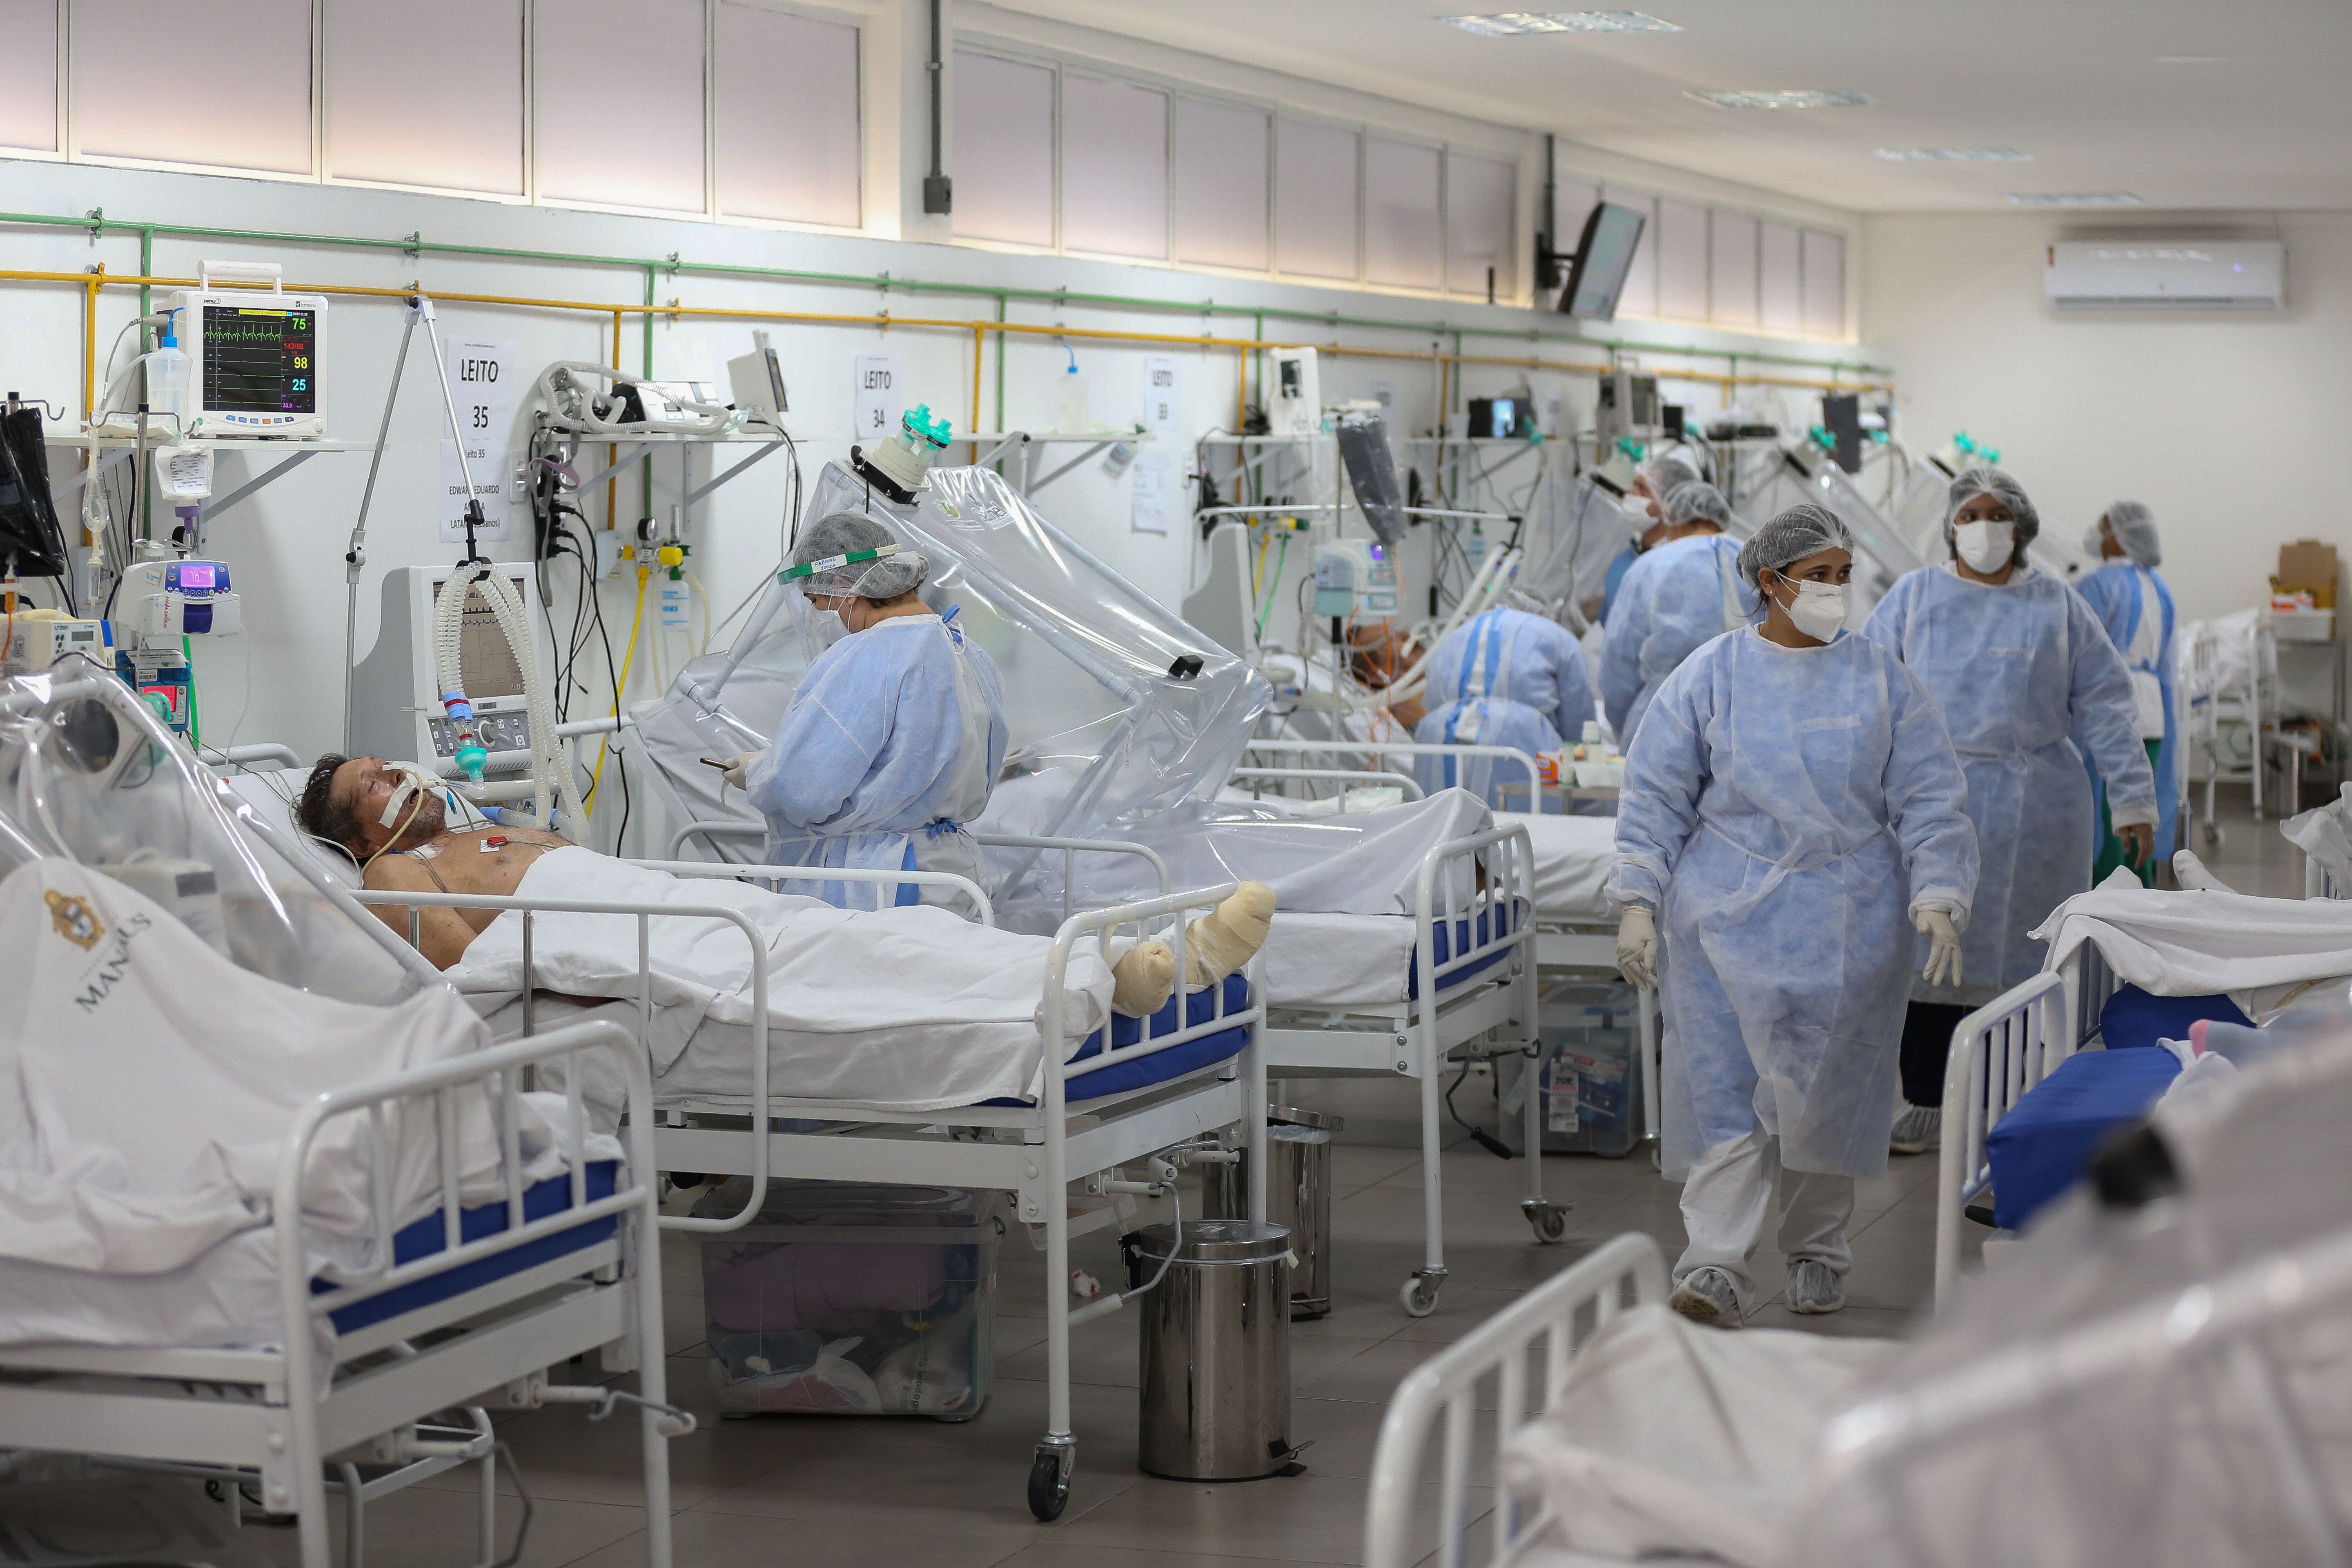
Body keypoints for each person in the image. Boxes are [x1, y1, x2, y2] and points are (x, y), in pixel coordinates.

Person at [1608, 503, 1976, 1327]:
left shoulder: (1882, 678)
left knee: (1825, 1095)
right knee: (1726, 1096)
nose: (1837, 591)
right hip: (1720, 918)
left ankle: (1817, 1249)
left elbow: (1931, 796)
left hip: (1847, 916)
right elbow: (1655, 797)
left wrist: (1939, 894)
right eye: (1821, 576)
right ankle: (1715, 1264)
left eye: (1845, 576)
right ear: (1770, 582)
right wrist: (1637, 897)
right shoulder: (1709, 676)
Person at [292, 753, 1270, 1011]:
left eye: (388, 762)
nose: (394, 776)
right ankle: (1102, 976)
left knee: (862, 937)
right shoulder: (391, 875)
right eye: (370, 784)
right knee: (858, 959)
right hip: (643, 943)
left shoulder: (477, 826)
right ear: (352, 828)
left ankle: (1116, 962)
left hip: (675, 907)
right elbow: (483, 979)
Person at [1863, 468, 2156, 1156]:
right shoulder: (1914, 598)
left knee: (2031, 955)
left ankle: (2021, 1098)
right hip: (1931, 799)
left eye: (1998, 513)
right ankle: (1930, 1098)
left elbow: (2108, 704)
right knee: (1929, 952)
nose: (1985, 526)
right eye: (1972, 513)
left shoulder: (2057, 604)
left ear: (2020, 526)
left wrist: (2135, 799)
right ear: (1951, 524)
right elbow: (1864, 691)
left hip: (2039, 806)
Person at [720, 512, 1008, 911]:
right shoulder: (967, 652)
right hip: (953, 874)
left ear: (844, 586)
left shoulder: (869, 656)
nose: (823, 616)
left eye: (819, 602)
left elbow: (804, 788)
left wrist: (759, 772)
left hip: (883, 878)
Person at [1599, 479, 1750, 747]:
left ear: (1672, 518)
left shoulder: (1651, 566)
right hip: (1748, 717)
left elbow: (1619, 664)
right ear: (1722, 521)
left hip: (1666, 717)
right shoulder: (1754, 562)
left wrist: (1625, 728)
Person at [2074, 501, 2176, 887]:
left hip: (2113, 710)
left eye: (2103, 526)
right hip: (2152, 709)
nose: (2095, 533)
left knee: (2111, 815)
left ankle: (2114, 904)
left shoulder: (2098, 585)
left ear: (2120, 536)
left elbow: (2079, 654)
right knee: (2140, 812)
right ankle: (2142, 899)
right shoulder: (2156, 586)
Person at [1410, 597, 1597, 806]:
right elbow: (1578, 715)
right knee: (1525, 825)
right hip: (1520, 738)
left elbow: (1432, 700)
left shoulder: (1454, 635)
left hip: (1440, 734)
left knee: (1441, 825)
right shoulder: (1556, 636)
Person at [1597, 455, 1700, 626]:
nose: (1632, 493)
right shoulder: (1629, 556)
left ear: (1670, 504)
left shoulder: (1675, 569)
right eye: (1634, 485)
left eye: (1643, 489)